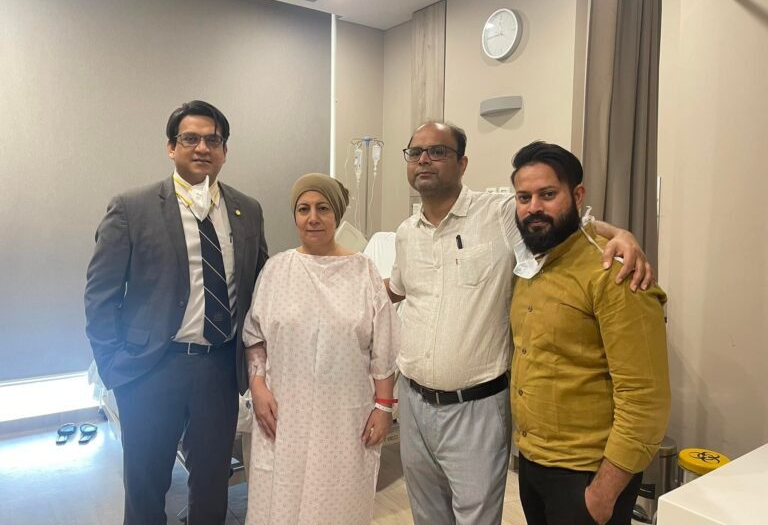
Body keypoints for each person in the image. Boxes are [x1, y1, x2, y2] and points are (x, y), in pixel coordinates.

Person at [386, 121, 654, 525]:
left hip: (475, 407)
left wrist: (623, 234)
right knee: (427, 516)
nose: (424, 159)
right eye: (415, 152)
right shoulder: (406, 233)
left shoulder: (498, 213)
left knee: (475, 518)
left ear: (462, 163)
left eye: (437, 151)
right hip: (413, 402)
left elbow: (564, 222)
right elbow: (396, 290)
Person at [84, 100, 268, 525]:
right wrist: (114, 366)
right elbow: (100, 294)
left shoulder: (247, 210)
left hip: (218, 370)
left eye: (213, 140)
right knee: (146, 487)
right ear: (171, 147)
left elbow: (260, 286)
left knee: (212, 485)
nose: (203, 147)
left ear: (224, 151)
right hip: (150, 370)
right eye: (191, 139)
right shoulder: (133, 208)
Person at [509, 141, 670, 525]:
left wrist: (603, 493)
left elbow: (645, 399)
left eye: (548, 194)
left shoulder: (615, 273)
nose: (534, 207)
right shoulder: (530, 264)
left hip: (588, 473)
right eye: (524, 197)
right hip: (533, 463)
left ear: (578, 195)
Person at [242, 173, 399, 525]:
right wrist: (258, 385)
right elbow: (254, 337)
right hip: (283, 412)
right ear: (295, 216)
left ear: (337, 215)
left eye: (323, 208)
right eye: (304, 209)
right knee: (280, 500)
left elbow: (384, 348)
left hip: (345, 416)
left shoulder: (364, 272)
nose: (313, 217)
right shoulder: (276, 270)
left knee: (337, 500)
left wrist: (384, 407)